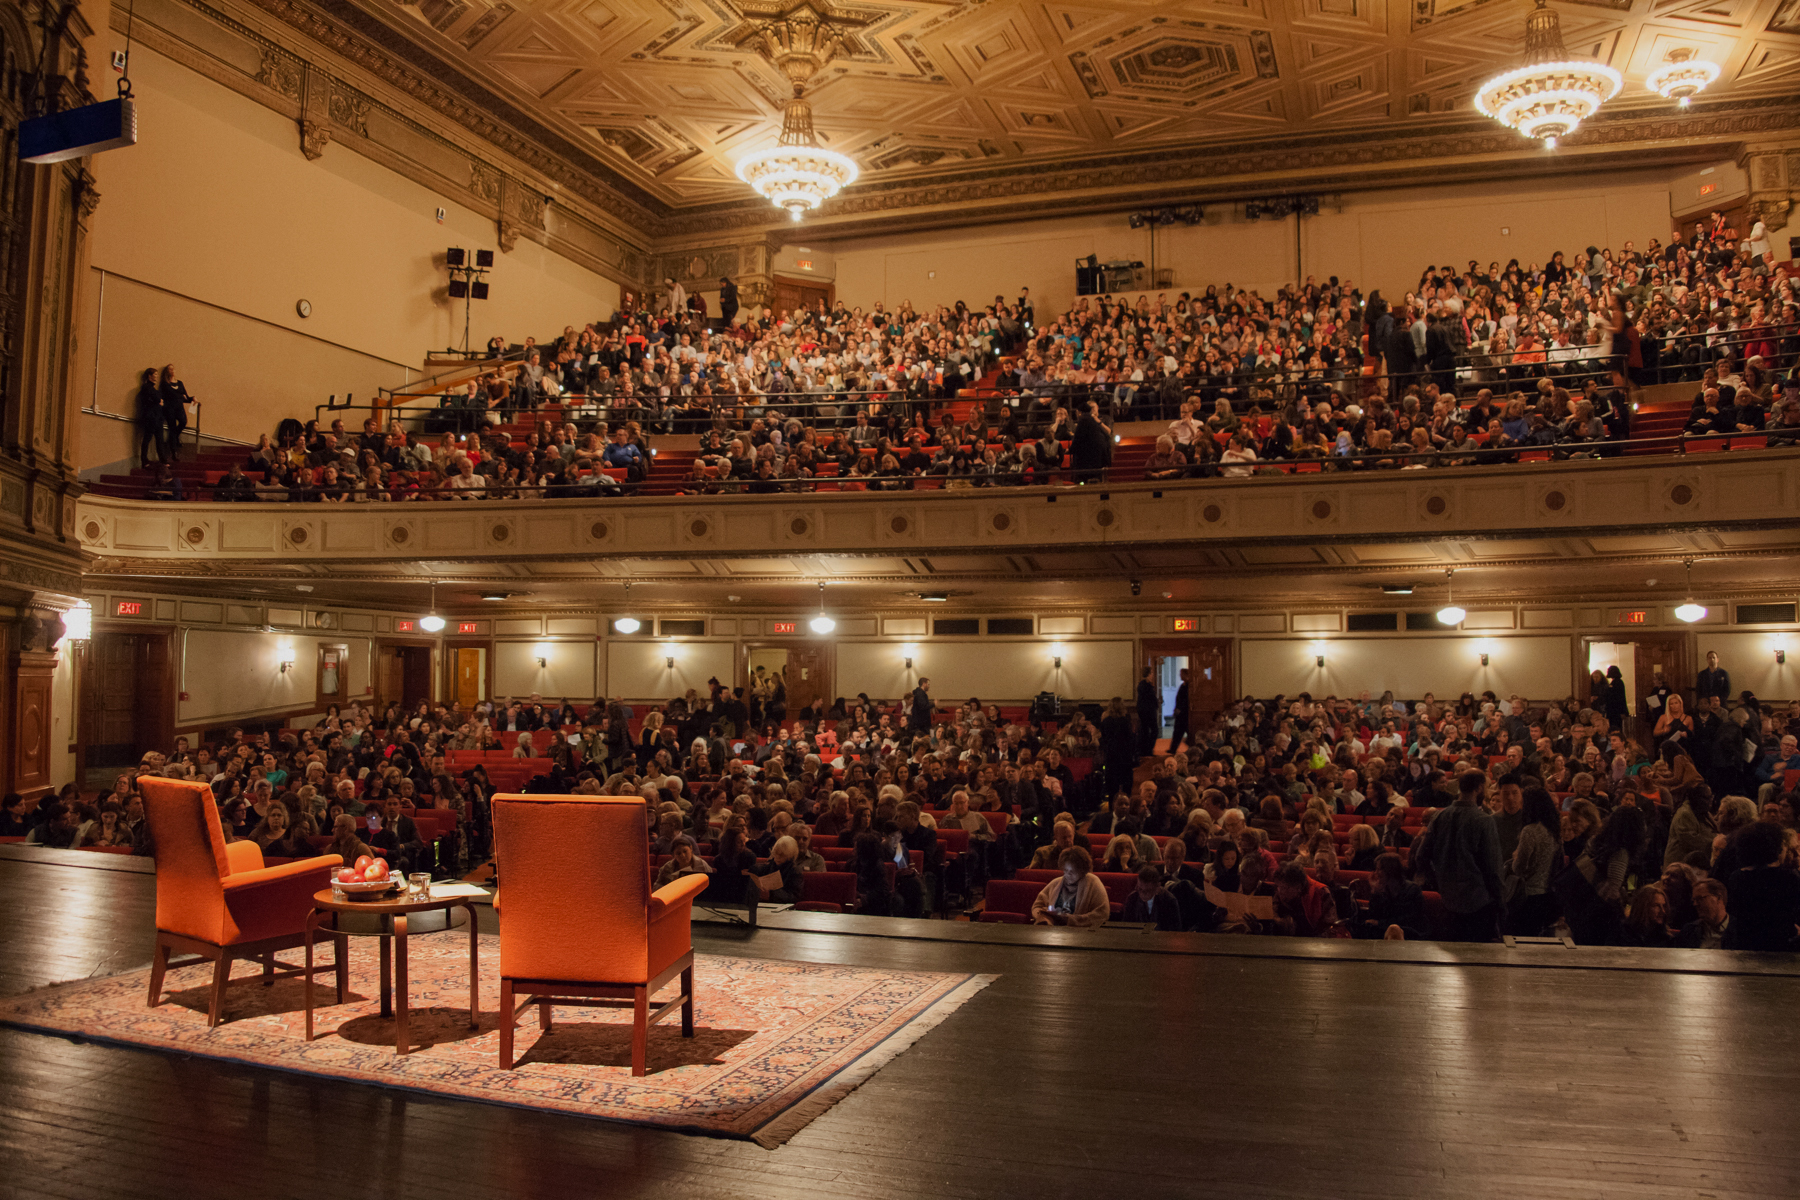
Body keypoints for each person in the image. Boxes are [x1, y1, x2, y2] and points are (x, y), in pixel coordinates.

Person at [1411, 770, 1504, 942]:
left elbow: (1420, 857)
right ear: (1480, 788)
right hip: (1478, 902)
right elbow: (1492, 868)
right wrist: (1500, 900)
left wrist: (1438, 882)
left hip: (1448, 900)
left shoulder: (1439, 816)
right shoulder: (1484, 820)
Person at [1722, 820, 1800, 952]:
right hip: (1781, 947)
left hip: (1745, 945)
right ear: (1775, 846)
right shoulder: (1789, 878)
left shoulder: (1737, 878)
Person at [1030, 845, 1110, 927]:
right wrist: (1043, 916)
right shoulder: (1056, 883)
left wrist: (1069, 919)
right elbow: (1037, 906)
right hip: (1052, 930)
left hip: (1081, 932)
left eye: (1072, 872)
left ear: (1082, 870)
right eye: (1066, 870)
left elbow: (1102, 913)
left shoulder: (1093, 882)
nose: (1068, 875)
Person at [1120, 864, 1182, 931]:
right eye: (1140, 889)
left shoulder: (1169, 901)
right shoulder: (1132, 898)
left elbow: (1175, 931)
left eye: (1148, 891)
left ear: (1157, 887)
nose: (1142, 894)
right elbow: (1126, 927)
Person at [159, 364, 194, 463]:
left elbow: (185, 396)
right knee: (172, 428)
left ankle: (175, 437)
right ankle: (174, 452)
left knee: (183, 422)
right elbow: (161, 395)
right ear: (167, 371)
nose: (172, 370)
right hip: (169, 408)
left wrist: (192, 398)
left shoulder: (180, 383)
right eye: (170, 369)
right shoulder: (165, 384)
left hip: (179, 408)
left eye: (173, 368)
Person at [1136, 667, 1160, 756]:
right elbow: (1148, 699)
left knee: (1146, 731)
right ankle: (1148, 750)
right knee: (1153, 730)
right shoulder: (1144, 685)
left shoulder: (1145, 685)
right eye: (1151, 673)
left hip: (1146, 711)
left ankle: (1146, 750)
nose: (1152, 675)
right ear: (1148, 674)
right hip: (1147, 712)